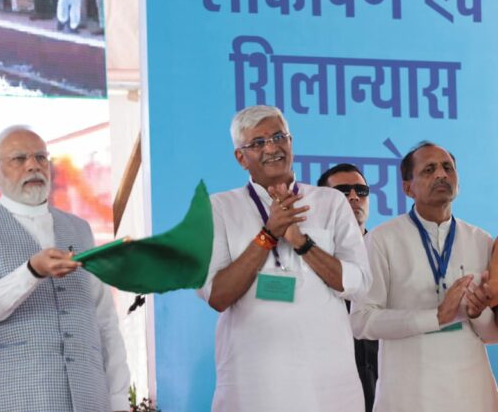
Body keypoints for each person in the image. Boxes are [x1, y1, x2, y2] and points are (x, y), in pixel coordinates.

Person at [199, 104, 370, 412]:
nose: (272, 148)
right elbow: (217, 295)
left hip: (327, 384)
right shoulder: (219, 208)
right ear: (241, 157)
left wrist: (301, 243)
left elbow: (358, 284)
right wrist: (268, 234)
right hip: (253, 385)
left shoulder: (330, 202)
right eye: (258, 142)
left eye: (279, 137)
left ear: (291, 142)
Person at [0, 125, 130, 412]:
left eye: (41, 158)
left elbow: (105, 321)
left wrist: (118, 401)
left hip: (88, 400)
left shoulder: (79, 229)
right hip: (9, 401)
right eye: (19, 159)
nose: (33, 165)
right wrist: (32, 271)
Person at [350, 142, 498, 411]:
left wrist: (478, 313)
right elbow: (361, 321)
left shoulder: (481, 240)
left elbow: (491, 336)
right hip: (408, 397)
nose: (441, 174)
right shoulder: (382, 240)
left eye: (447, 168)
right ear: (408, 188)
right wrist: (436, 316)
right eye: (429, 169)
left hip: (472, 396)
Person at [317, 163, 377, 412]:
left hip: (386, 387)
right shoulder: (307, 257)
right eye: (343, 191)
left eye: (361, 191)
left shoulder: (387, 251)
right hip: (326, 389)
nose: (354, 197)